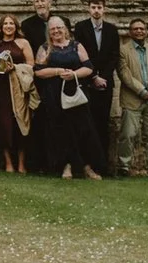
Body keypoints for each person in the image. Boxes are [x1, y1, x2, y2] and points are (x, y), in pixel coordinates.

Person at [36, 17, 101, 179]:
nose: (56, 31)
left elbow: (88, 67)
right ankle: (66, 166)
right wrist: (58, 71)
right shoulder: (45, 48)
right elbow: (38, 71)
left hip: (75, 92)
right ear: (48, 32)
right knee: (60, 130)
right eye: (52, 29)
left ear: (65, 29)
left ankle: (87, 167)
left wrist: (73, 74)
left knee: (82, 129)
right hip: (54, 94)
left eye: (59, 28)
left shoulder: (76, 46)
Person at [114, 18, 148, 177]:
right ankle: (124, 165)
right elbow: (124, 73)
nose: (139, 31)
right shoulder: (123, 50)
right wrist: (142, 91)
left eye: (142, 28)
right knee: (128, 134)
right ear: (130, 32)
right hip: (133, 98)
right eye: (135, 29)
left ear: (147, 31)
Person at [74, 0, 119, 172]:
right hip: (87, 81)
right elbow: (80, 55)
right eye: (93, 7)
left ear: (104, 9)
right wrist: (93, 77)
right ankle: (87, 163)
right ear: (88, 9)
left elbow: (114, 56)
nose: (96, 11)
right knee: (87, 122)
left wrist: (104, 77)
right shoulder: (81, 28)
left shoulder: (111, 30)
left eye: (99, 7)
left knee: (103, 122)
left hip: (106, 83)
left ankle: (102, 164)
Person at [0, 15, 32, 172]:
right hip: (1, 87)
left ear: (16, 26)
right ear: (1, 26)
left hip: (18, 85)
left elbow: (31, 64)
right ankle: (8, 162)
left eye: (11, 23)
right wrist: (0, 70)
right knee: (3, 122)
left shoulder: (23, 42)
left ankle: (21, 162)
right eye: (5, 23)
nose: (8, 26)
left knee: (20, 121)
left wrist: (16, 67)